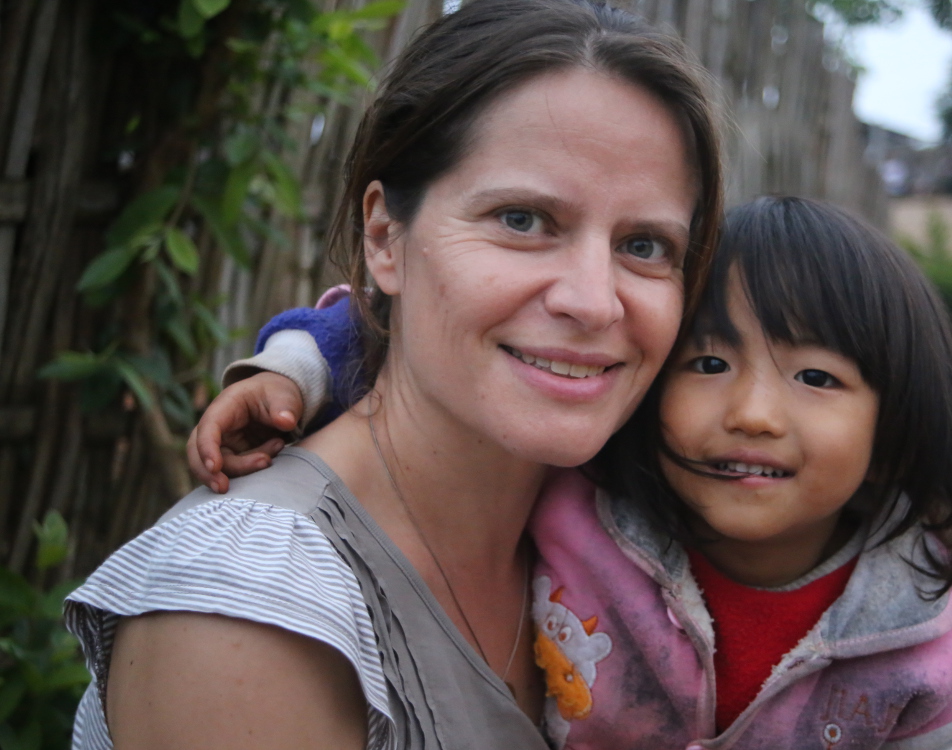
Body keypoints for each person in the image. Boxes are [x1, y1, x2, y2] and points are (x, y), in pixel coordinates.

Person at [63, 1, 723, 747]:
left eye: (643, 244)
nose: (593, 300)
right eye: (521, 220)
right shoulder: (255, 604)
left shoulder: (638, 540)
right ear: (384, 237)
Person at [201, 197, 952, 749]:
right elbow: (411, 334)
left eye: (816, 379)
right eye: (706, 362)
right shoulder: (577, 499)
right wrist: (291, 374)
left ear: (897, 423)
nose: (754, 414)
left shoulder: (932, 653)